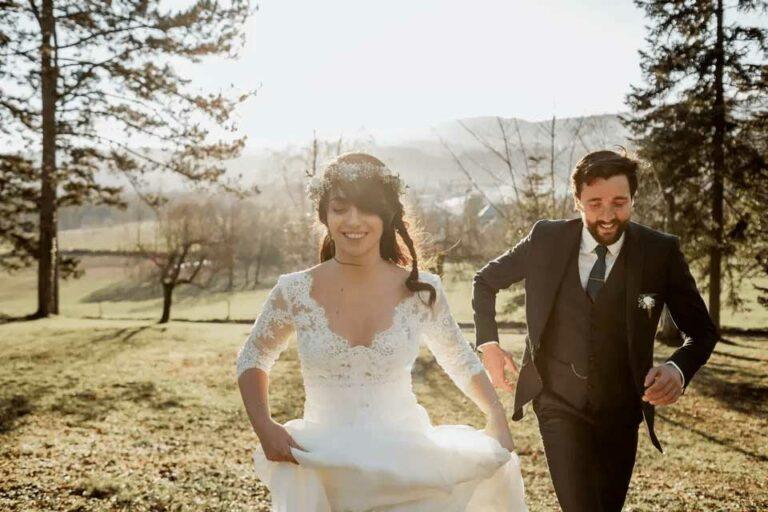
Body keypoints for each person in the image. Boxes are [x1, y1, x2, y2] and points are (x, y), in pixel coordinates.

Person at [236, 153, 527, 511]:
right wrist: (264, 426)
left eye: (367, 209)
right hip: (324, 463)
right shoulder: (294, 291)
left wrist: (496, 417)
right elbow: (253, 357)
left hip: (405, 460)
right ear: (324, 215)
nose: (353, 221)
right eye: (340, 208)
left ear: (386, 216)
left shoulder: (421, 291)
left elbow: (459, 359)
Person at [473, 149, 719, 511]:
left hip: (622, 410)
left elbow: (701, 331)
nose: (608, 215)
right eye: (595, 203)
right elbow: (485, 281)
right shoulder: (546, 239)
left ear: (633, 199)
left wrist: (677, 369)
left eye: (619, 202)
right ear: (577, 202)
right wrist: (489, 345)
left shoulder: (659, 252)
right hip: (557, 403)